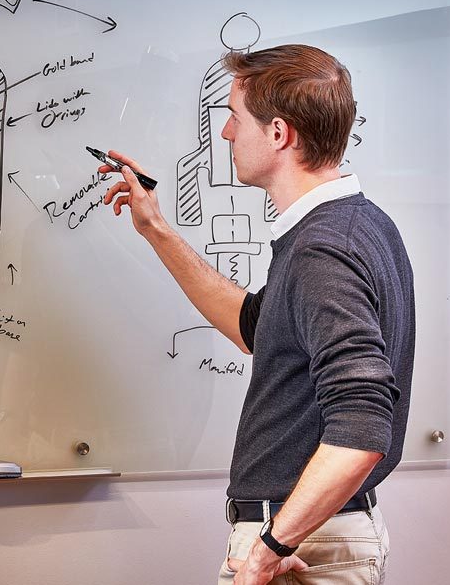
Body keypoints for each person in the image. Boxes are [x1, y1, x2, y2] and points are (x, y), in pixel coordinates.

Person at [101, 44, 413, 585]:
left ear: (277, 133)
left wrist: (270, 548)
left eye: (233, 117)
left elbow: (362, 427)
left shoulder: (323, 250)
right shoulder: (353, 225)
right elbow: (254, 328)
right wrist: (156, 229)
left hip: (300, 550)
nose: (225, 133)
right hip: (312, 536)